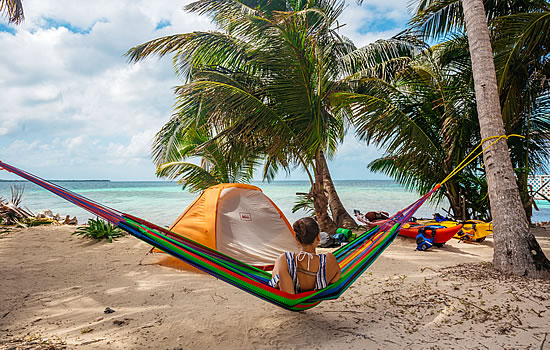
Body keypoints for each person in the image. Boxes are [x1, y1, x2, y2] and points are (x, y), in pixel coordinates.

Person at [269, 217, 342, 294]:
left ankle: (277, 281)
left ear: (296, 239)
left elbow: (288, 297)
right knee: (281, 262)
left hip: (291, 291)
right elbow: (336, 278)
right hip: (315, 294)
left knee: (280, 261)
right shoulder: (329, 259)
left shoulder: (285, 259)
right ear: (318, 237)